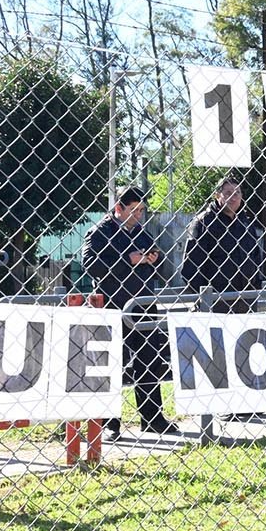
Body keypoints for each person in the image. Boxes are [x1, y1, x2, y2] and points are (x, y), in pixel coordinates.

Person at [81, 186, 178, 440]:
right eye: (133, 210)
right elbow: (91, 264)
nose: (138, 215)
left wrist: (154, 258)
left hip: (143, 305)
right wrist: (128, 259)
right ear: (118, 209)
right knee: (113, 363)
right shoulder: (100, 232)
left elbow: (163, 265)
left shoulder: (141, 233)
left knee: (150, 361)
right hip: (113, 306)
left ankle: (152, 417)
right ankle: (109, 424)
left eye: (141, 210)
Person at [181, 177, 266, 312]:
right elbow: (191, 267)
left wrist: (255, 285)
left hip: (246, 300)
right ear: (217, 195)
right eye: (228, 193)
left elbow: (256, 258)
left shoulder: (246, 223)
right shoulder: (203, 223)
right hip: (216, 302)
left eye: (237, 193)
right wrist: (207, 297)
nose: (233, 198)